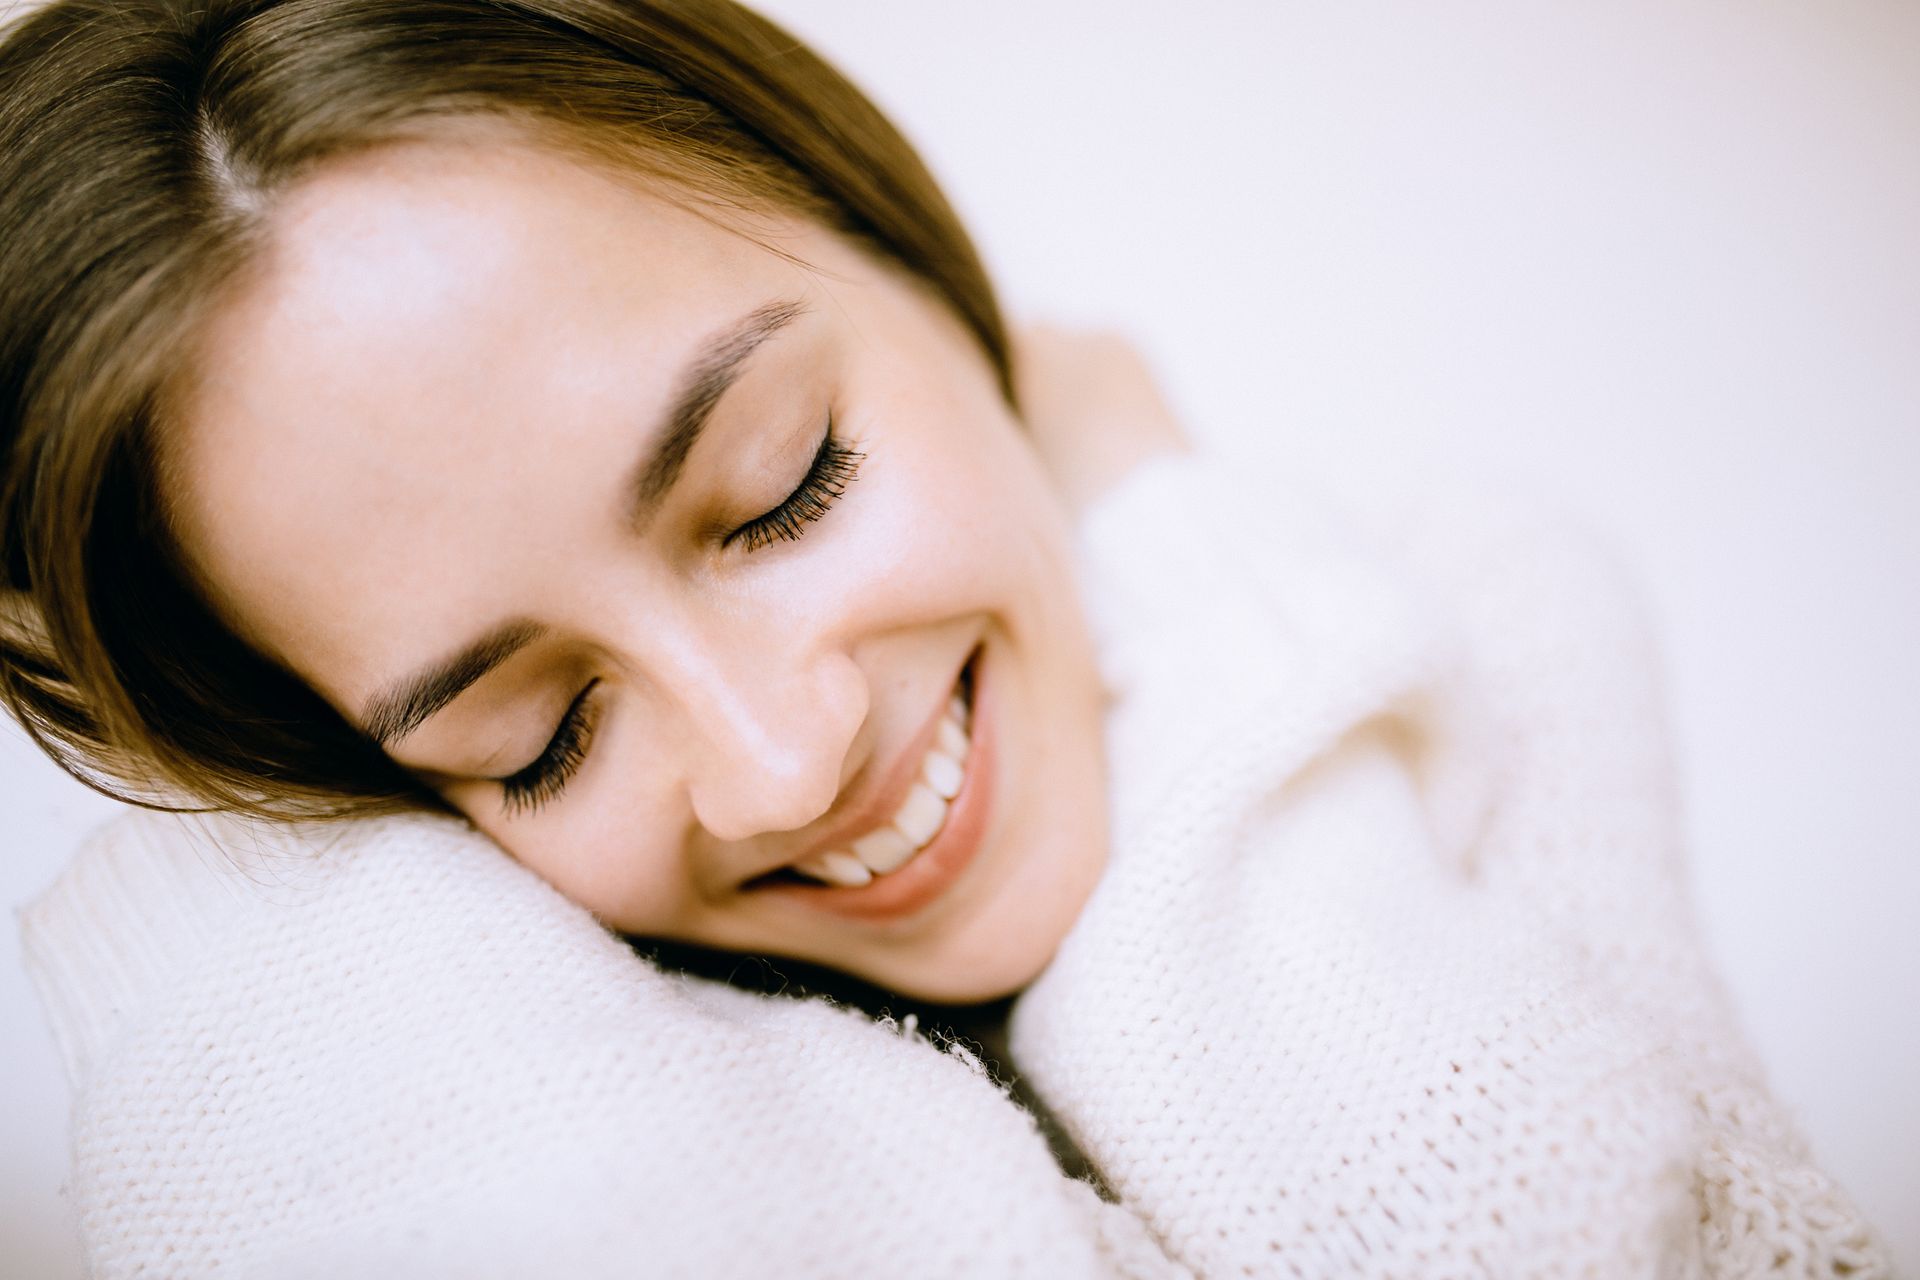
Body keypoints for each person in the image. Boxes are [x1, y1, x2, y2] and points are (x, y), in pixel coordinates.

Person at [1, 1, 1890, 1276]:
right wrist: (238, 916)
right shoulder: (450, 1050)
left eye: (784, 483)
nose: (777, 760)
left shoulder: (1450, 618)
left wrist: (1188, 591)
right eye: (536, 737)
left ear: (902, 239)